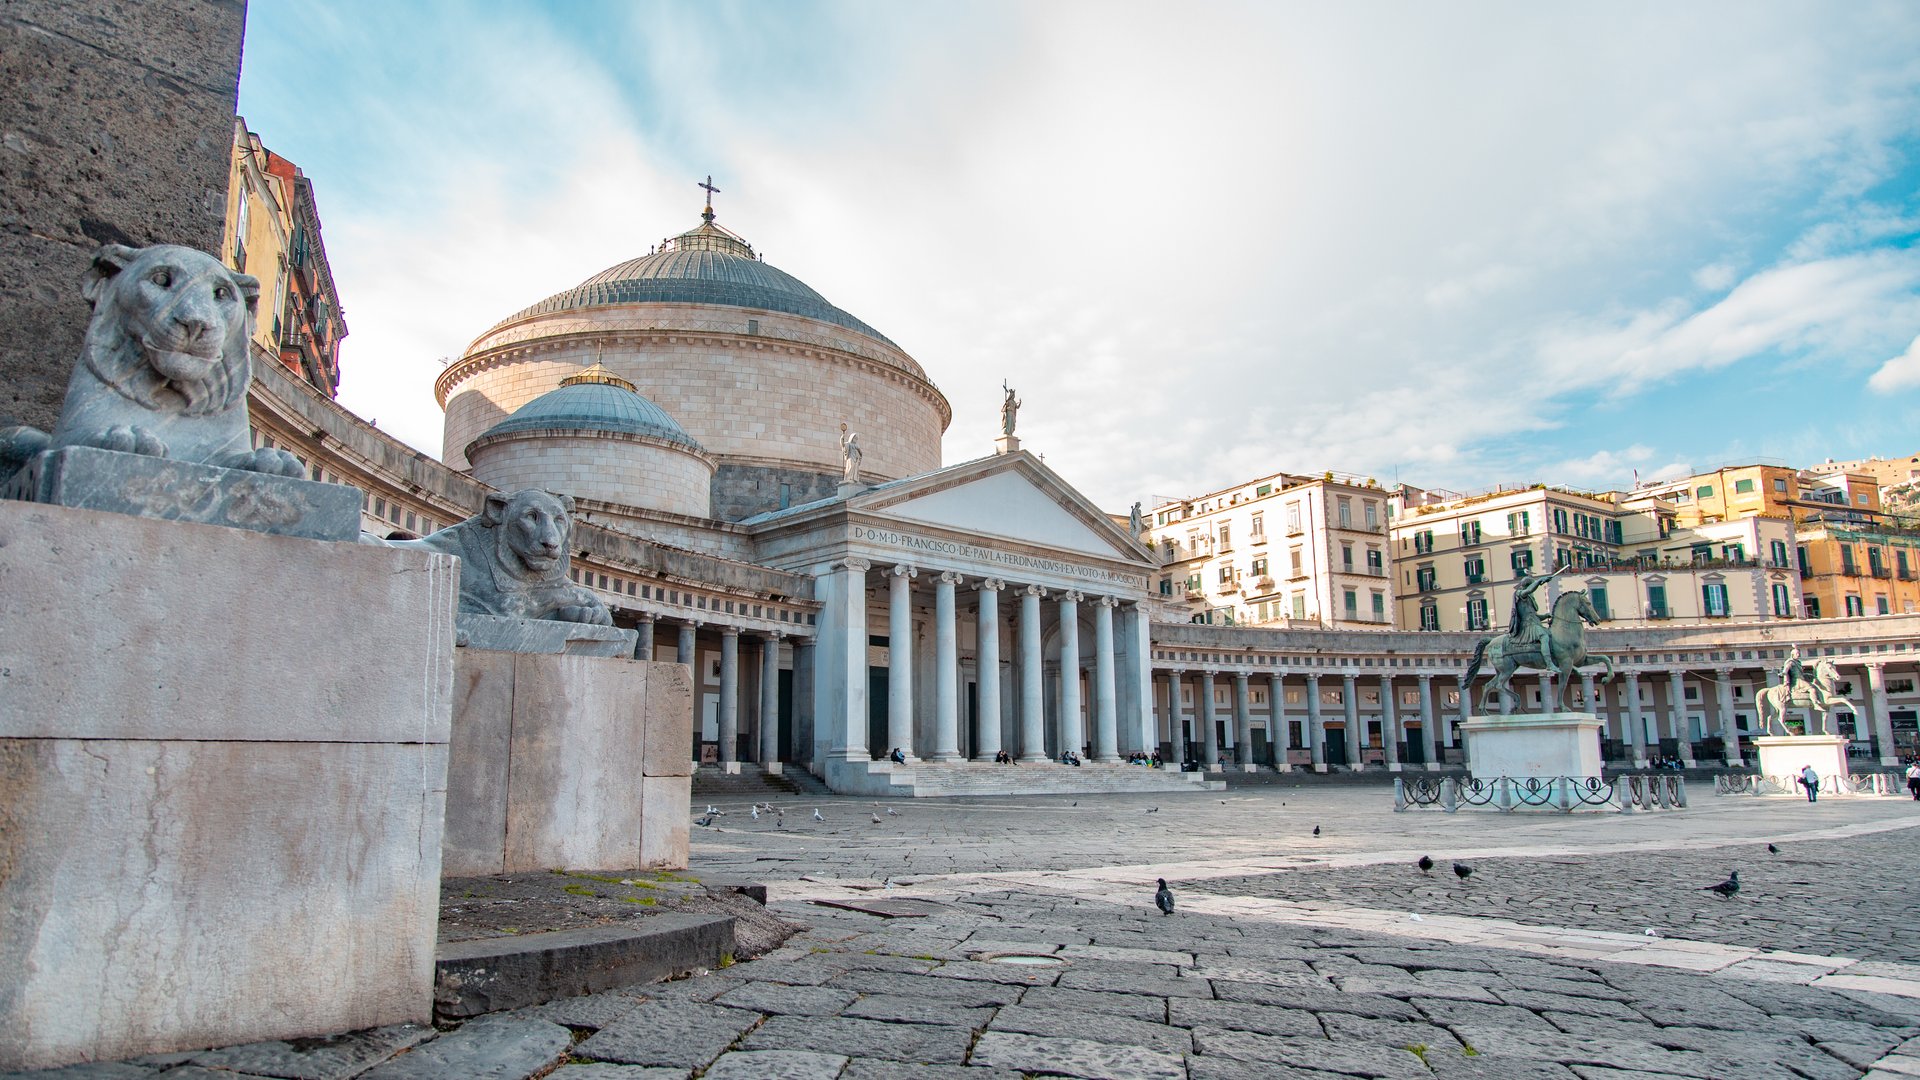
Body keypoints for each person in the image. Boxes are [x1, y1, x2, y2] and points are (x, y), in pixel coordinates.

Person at [1507, 570, 1561, 677]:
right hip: (1527, 626)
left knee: (1552, 636)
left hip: (1534, 623)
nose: (1532, 590)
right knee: (1544, 636)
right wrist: (1540, 581)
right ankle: (1549, 664)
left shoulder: (1530, 598)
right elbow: (1530, 590)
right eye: (1531, 586)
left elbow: (1534, 616)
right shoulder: (1520, 593)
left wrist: (1546, 616)